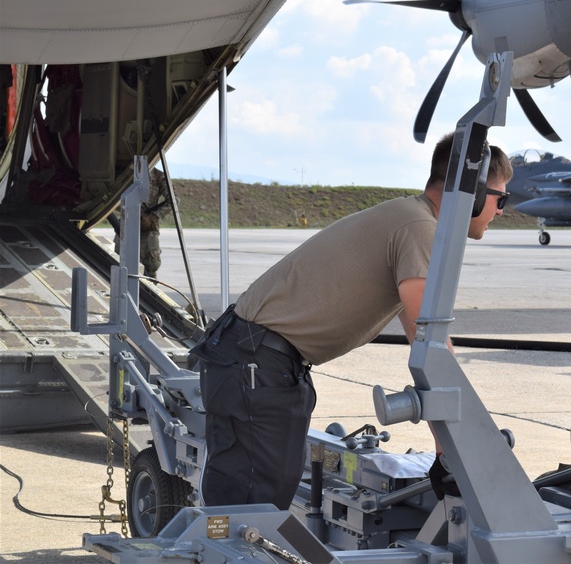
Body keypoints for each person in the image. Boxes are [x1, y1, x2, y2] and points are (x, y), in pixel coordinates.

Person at [190, 133, 513, 510]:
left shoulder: (410, 219)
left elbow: (425, 348)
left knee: (248, 503)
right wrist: (460, 448)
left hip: (252, 358)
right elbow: (433, 343)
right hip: (257, 364)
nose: (502, 211)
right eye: (500, 198)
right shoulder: (419, 229)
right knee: (250, 511)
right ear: (472, 193)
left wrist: (448, 448)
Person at [114, 166, 170, 279]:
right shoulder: (124, 174)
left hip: (147, 229)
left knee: (150, 267)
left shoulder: (158, 176)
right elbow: (111, 200)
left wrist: (153, 217)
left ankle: (149, 294)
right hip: (126, 227)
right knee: (119, 262)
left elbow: (174, 200)